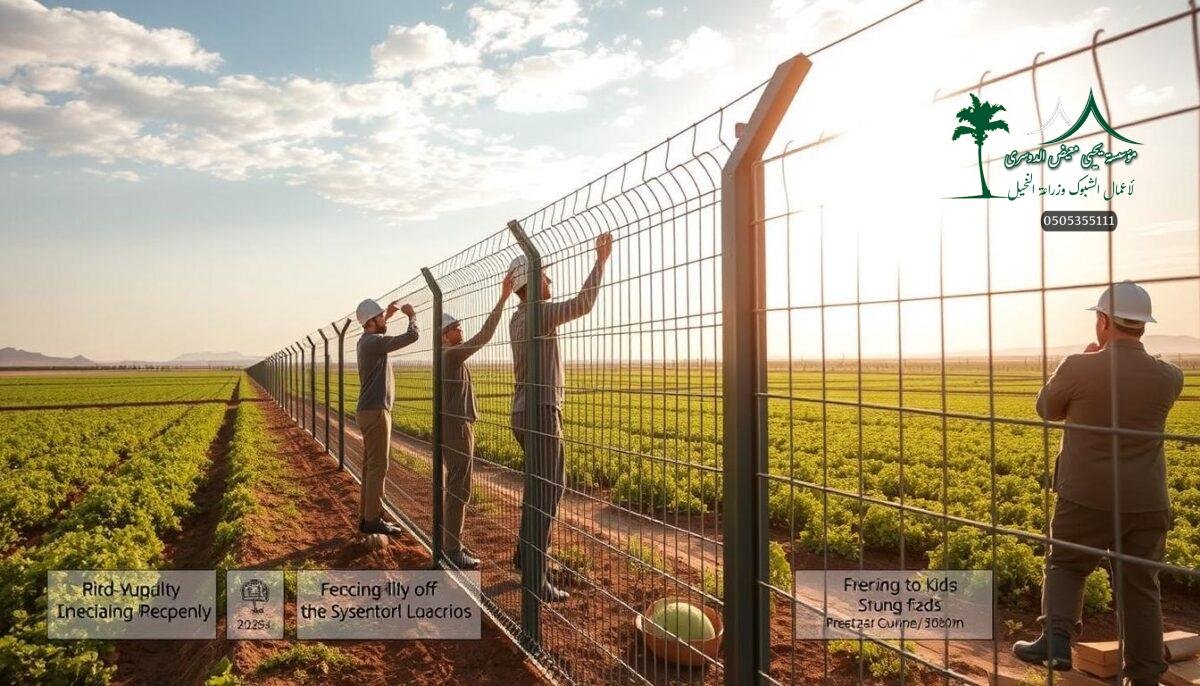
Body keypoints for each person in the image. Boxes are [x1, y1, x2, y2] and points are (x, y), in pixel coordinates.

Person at [1014, 280, 1182, 686]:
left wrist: (1083, 362)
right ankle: (1143, 675)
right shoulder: (1169, 377)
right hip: (1145, 501)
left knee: (1066, 564)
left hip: (1084, 497)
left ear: (1104, 321)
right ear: (1143, 325)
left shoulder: (1079, 366)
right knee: (1140, 586)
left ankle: (1056, 642)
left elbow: (1046, 409)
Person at [508, 232, 613, 602]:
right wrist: (600, 261)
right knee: (550, 490)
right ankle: (535, 577)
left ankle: (525, 558)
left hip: (522, 411)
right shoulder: (539, 311)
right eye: (545, 275)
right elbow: (583, 304)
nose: (550, 280)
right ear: (531, 282)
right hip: (541, 412)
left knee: (537, 490)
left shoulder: (518, 317)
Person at [439, 270, 515, 569]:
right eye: (456, 328)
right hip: (458, 428)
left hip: (457, 425)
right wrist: (503, 298)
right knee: (460, 487)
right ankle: (452, 550)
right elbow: (484, 336)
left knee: (457, 485)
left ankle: (450, 542)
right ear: (445, 335)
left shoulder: (448, 356)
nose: (461, 330)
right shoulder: (451, 355)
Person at [354, 297, 419, 537]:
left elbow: (379, 332)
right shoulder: (373, 343)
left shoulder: (366, 341)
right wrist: (412, 317)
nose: (384, 319)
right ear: (371, 321)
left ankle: (366, 517)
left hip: (368, 410)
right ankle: (373, 519)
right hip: (376, 411)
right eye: (380, 316)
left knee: (371, 467)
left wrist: (388, 315)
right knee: (379, 466)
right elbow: (411, 337)